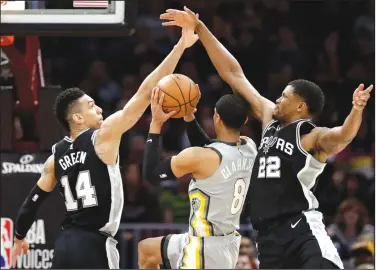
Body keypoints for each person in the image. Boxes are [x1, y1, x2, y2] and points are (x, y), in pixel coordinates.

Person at [160, 7, 373, 269]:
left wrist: (356, 110)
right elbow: (233, 74)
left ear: (300, 107)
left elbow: (343, 136)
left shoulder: (310, 136)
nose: (278, 99)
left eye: (285, 96)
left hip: (301, 228)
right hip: (268, 237)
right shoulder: (270, 120)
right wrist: (201, 29)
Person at [10, 29, 198, 269]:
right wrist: (179, 47)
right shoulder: (103, 136)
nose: (99, 109)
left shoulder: (55, 157)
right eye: (91, 105)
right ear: (77, 118)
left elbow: (32, 202)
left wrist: (19, 236)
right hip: (94, 246)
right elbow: (144, 92)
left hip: (65, 246)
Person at [138, 89, 258, 269]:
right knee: (147, 250)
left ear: (216, 117)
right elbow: (210, 147)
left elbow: (151, 174)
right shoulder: (249, 147)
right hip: (224, 240)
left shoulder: (201, 157)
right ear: (245, 121)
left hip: (205, 248)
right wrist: (188, 116)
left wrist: (155, 124)